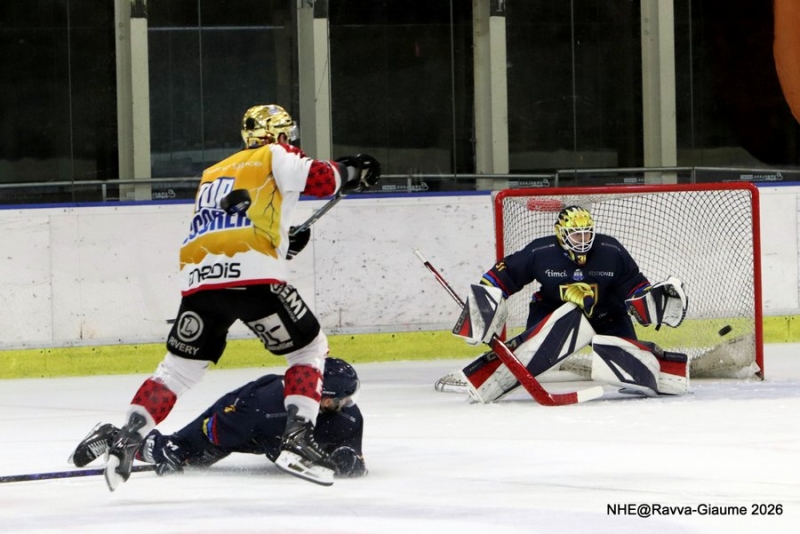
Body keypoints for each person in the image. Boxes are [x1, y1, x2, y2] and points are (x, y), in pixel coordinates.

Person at [71, 104, 380, 491]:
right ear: (279, 134)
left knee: (177, 370)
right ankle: (297, 437)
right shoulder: (277, 153)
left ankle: (129, 435)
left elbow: (235, 223)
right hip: (254, 280)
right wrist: (354, 170)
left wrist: (283, 244)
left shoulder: (213, 173)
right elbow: (320, 178)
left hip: (201, 280)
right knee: (308, 350)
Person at [441, 205, 689, 402]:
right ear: (561, 233)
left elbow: (635, 285)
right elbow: (499, 278)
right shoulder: (541, 252)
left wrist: (652, 301)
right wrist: (482, 309)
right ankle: (482, 376)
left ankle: (664, 372)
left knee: (624, 355)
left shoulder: (611, 251)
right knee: (529, 353)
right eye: (576, 233)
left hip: (607, 315)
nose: (583, 239)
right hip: (553, 312)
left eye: (586, 233)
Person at [69, 357, 366, 479]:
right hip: (237, 416)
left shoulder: (348, 417)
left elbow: (352, 452)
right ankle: (111, 435)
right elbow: (220, 436)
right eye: (343, 398)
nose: (348, 405)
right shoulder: (260, 405)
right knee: (180, 455)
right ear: (324, 396)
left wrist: (347, 460)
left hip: (267, 426)